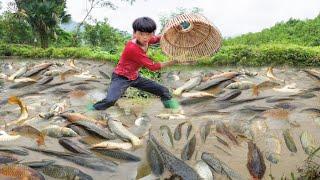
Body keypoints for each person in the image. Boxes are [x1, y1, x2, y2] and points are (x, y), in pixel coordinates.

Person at [88, 17, 181, 112]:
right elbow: (153, 67)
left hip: (134, 77)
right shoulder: (133, 48)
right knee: (110, 100)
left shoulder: (147, 39)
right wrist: (174, 61)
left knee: (163, 90)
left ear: (152, 33)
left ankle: (171, 109)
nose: (145, 37)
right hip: (121, 77)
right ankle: (91, 110)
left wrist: (173, 31)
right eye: (141, 34)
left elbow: (158, 38)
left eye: (148, 34)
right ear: (134, 33)